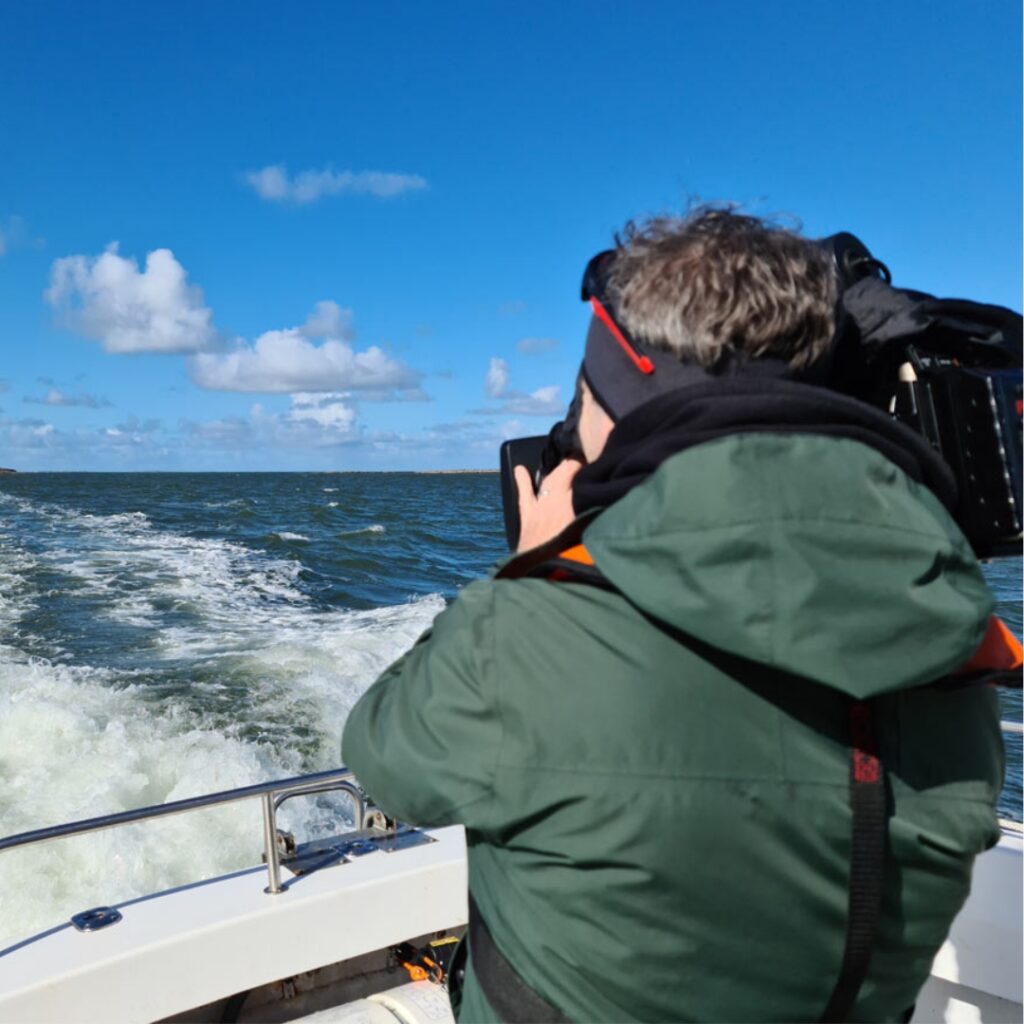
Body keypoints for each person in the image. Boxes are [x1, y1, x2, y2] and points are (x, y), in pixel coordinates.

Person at [342, 209, 1004, 1022]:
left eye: (582, 395)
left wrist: (531, 570)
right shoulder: (952, 638)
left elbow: (384, 755)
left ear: (623, 402)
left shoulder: (523, 639)